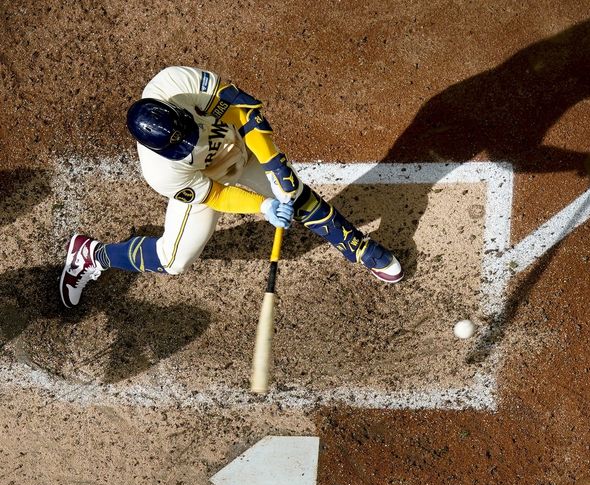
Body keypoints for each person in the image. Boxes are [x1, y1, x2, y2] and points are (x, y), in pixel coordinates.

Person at [59, 66, 402, 308]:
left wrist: (273, 164)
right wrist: (262, 207)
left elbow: (243, 110)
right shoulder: (162, 173)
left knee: (295, 194)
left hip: (244, 149)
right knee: (173, 260)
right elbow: (216, 194)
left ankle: (359, 249)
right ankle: (94, 254)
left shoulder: (176, 83)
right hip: (212, 179)